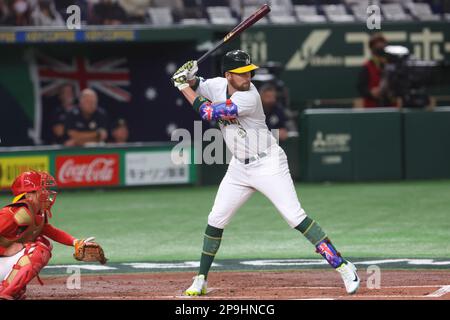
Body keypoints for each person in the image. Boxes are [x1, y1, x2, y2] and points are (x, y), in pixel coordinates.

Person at [171, 50, 360, 296]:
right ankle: (201, 279)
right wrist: (190, 77)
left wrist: (182, 86)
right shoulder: (218, 85)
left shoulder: (249, 96)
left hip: (268, 163)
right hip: (239, 167)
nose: (248, 76)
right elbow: (201, 85)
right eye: (241, 73)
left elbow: (208, 113)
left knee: (295, 217)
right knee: (216, 219)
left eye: (249, 71)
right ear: (228, 75)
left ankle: (343, 266)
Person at [0, 171, 104, 300]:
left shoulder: (36, 214)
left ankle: (11, 287)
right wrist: (4, 250)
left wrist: (75, 242)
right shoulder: (13, 214)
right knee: (36, 250)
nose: (46, 193)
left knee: (44, 243)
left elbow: (52, 232)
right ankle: (4, 292)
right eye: (41, 190)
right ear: (28, 195)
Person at [357, 33, 396, 108]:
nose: (380, 46)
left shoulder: (392, 65)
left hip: (391, 107)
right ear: (371, 48)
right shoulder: (367, 67)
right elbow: (361, 87)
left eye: (382, 44)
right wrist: (371, 92)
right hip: (373, 108)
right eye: (376, 45)